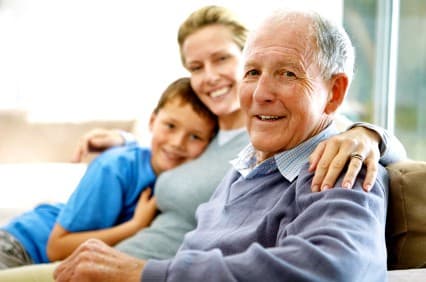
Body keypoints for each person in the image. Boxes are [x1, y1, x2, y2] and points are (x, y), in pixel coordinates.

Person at [0, 5, 406, 281]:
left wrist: (371, 135)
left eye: (286, 73)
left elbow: (337, 267)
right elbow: (164, 144)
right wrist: (125, 141)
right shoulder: (240, 145)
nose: (261, 92)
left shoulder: (335, 160)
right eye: (253, 72)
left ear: (333, 94)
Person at [0, 77, 218, 269]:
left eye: (195, 137)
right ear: (152, 122)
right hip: (20, 246)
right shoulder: (114, 167)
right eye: (170, 126)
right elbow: (56, 247)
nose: (177, 142)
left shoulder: (186, 180)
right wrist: (135, 227)